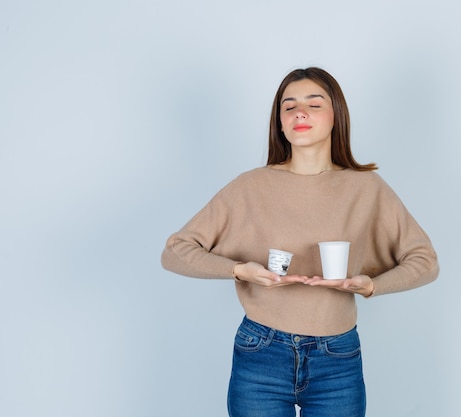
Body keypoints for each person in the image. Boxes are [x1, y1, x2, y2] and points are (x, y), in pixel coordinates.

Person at [161, 67, 439, 417]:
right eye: (288, 106)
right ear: (279, 122)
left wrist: (371, 286)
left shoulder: (367, 188)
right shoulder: (250, 186)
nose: (299, 113)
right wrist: (239, 270)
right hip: (260, 351)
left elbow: (424, 260)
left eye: (314, 103)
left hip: (337, 357)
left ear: (336, 115)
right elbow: (176, 251)